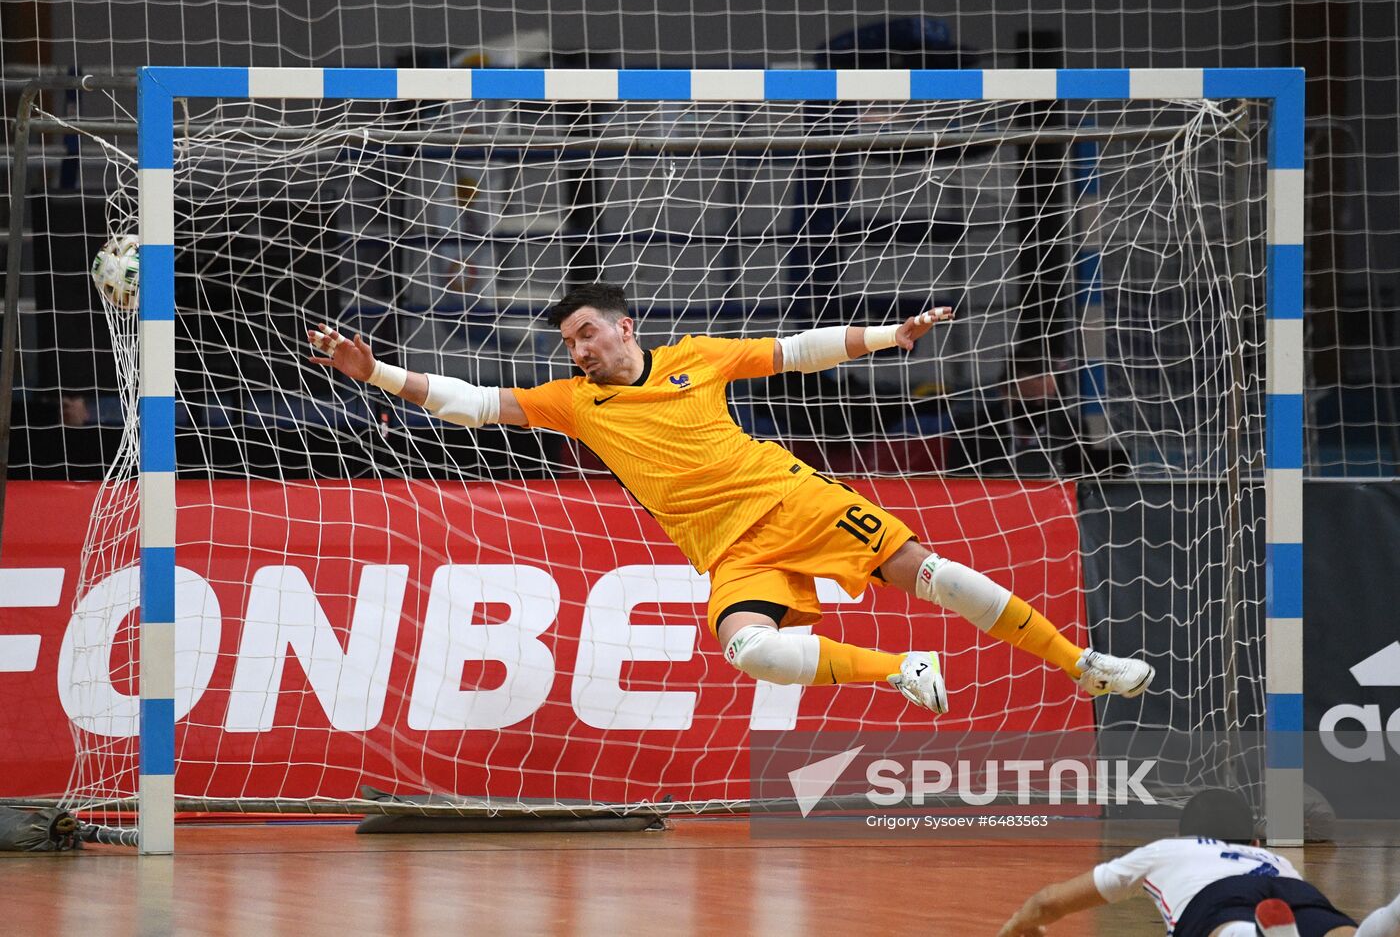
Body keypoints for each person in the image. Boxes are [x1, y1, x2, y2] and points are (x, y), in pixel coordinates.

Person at [307, 282, 1153, 714]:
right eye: (568, 342)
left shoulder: (698, 355)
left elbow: (794, 350)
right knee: (749, 649)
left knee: (926, 571)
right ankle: (902, 670)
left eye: (587, 333)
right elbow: (471, 403)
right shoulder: (574, 403)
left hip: (791, 499)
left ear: (625, 327)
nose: (578, 351)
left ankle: (1084, 665)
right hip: (733, 551)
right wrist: (374, 371)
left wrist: (886, 339)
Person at [996, 787, 1400, 937]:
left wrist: (1018, 926)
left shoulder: (1167, 851)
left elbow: (1051, 901)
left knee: (1226, 929)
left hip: (1219, 898)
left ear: (1182, 836)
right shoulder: (1272, 856)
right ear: (1255, 839)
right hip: (1292, 889)